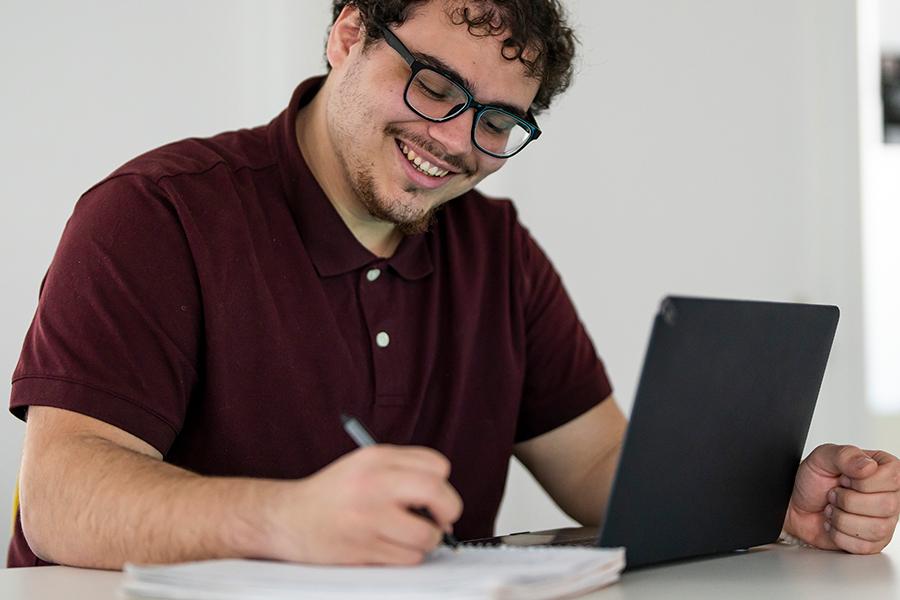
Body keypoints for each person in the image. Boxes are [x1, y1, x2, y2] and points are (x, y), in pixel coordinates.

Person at [8, 0, 899, 570]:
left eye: (499, 119)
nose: (457, 138)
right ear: (349, 33)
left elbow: (595, 464)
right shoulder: (156, 213)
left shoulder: (497, 250)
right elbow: (60, 500)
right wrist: (285, 520)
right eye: (435, 85)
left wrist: (768, 502)